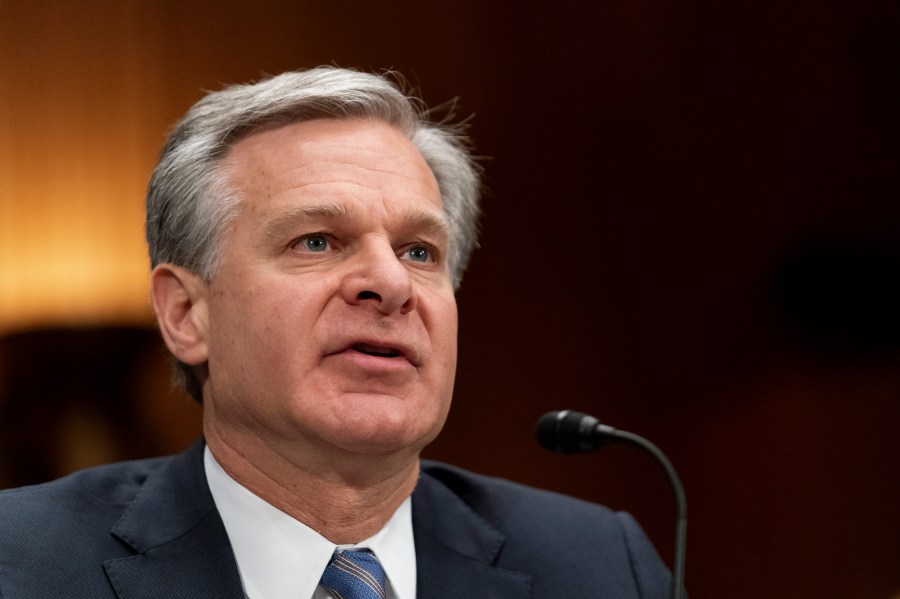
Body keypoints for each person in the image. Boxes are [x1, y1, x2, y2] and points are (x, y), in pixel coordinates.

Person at [0, 67, 672, 598]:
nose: (391, 282)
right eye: (317, 240)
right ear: (185, 314)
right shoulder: (22, 562)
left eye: (419, 251)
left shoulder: (600, 566)